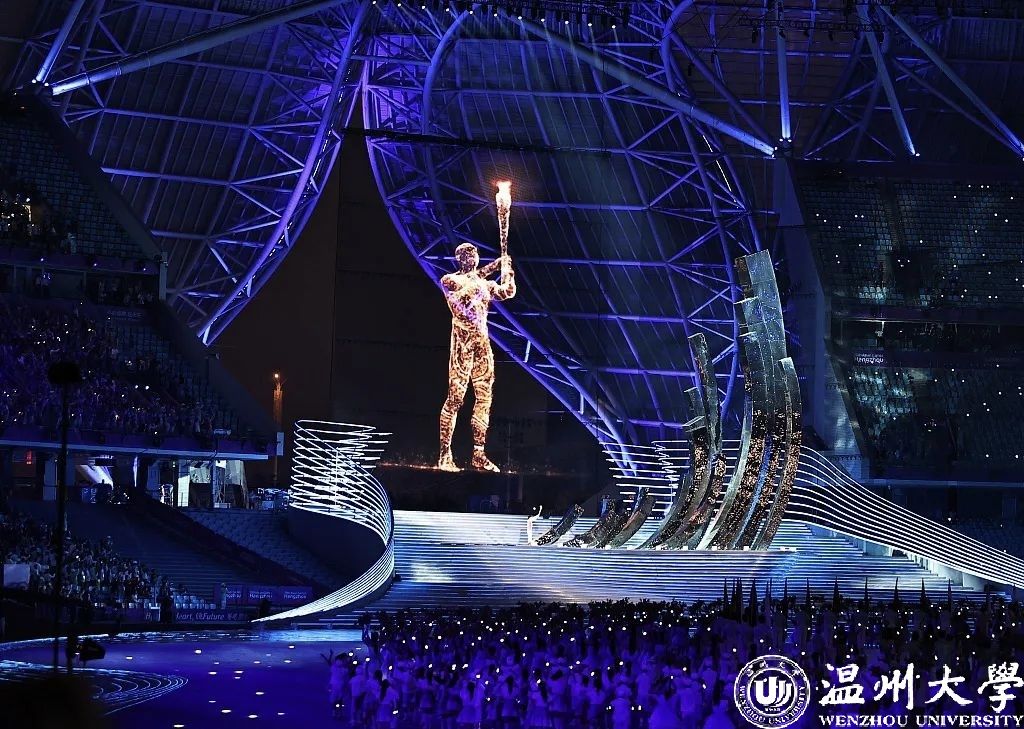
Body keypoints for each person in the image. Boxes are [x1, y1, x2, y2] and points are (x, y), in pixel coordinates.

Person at [436, 243, 516, 473]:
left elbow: (508, 292)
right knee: (455, 398)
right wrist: (493, 267)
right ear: (459, 258)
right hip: (462, 344)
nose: (472, 257)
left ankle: (479, 454)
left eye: (474, 253)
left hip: (482, 344)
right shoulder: (449, 280)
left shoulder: (484, 284)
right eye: (467, 254)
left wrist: (507, 270)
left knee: (484, 398)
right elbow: (460, 303)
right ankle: (444, 455)